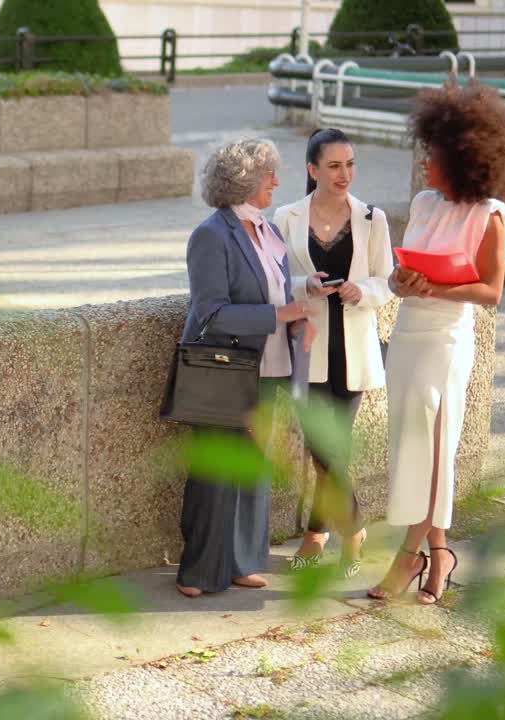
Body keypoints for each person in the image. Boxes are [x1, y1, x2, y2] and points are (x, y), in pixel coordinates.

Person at [368, 83, 505, 604]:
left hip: (446, 340)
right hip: (410, 331)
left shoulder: (490, 215)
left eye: (432, 157)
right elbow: (397, 274)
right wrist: (401, 282)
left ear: (461, 160)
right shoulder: (423, 204)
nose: (423, 165)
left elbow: (492, 290)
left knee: (437, 450)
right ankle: (441, 554)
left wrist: (433, 285)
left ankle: (409, 557)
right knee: (411, 446)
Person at [176, 137, 317, 597]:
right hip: (226, 370)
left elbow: (271, 290)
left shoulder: (269, 231)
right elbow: (212, 311)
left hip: (271, 368)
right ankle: (199, 571)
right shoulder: (211, 235)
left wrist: (303, 294)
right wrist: (282, 315)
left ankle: (240, 562)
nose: (277, 181)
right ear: (244, 180)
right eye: (268, 174)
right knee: (216, 474)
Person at [273, 128, 394, 578]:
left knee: (330, 449)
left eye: (350, 164)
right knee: (321, 448)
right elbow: (272, 280)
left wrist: (360, 289)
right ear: (312, 169)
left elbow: (388, 280)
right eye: (334, 165)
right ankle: (354, 529)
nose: (345, 174)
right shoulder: (285, 217)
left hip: (355, 348)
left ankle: (316, 533)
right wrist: (304, 285)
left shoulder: (371, 219)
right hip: (307, 348)